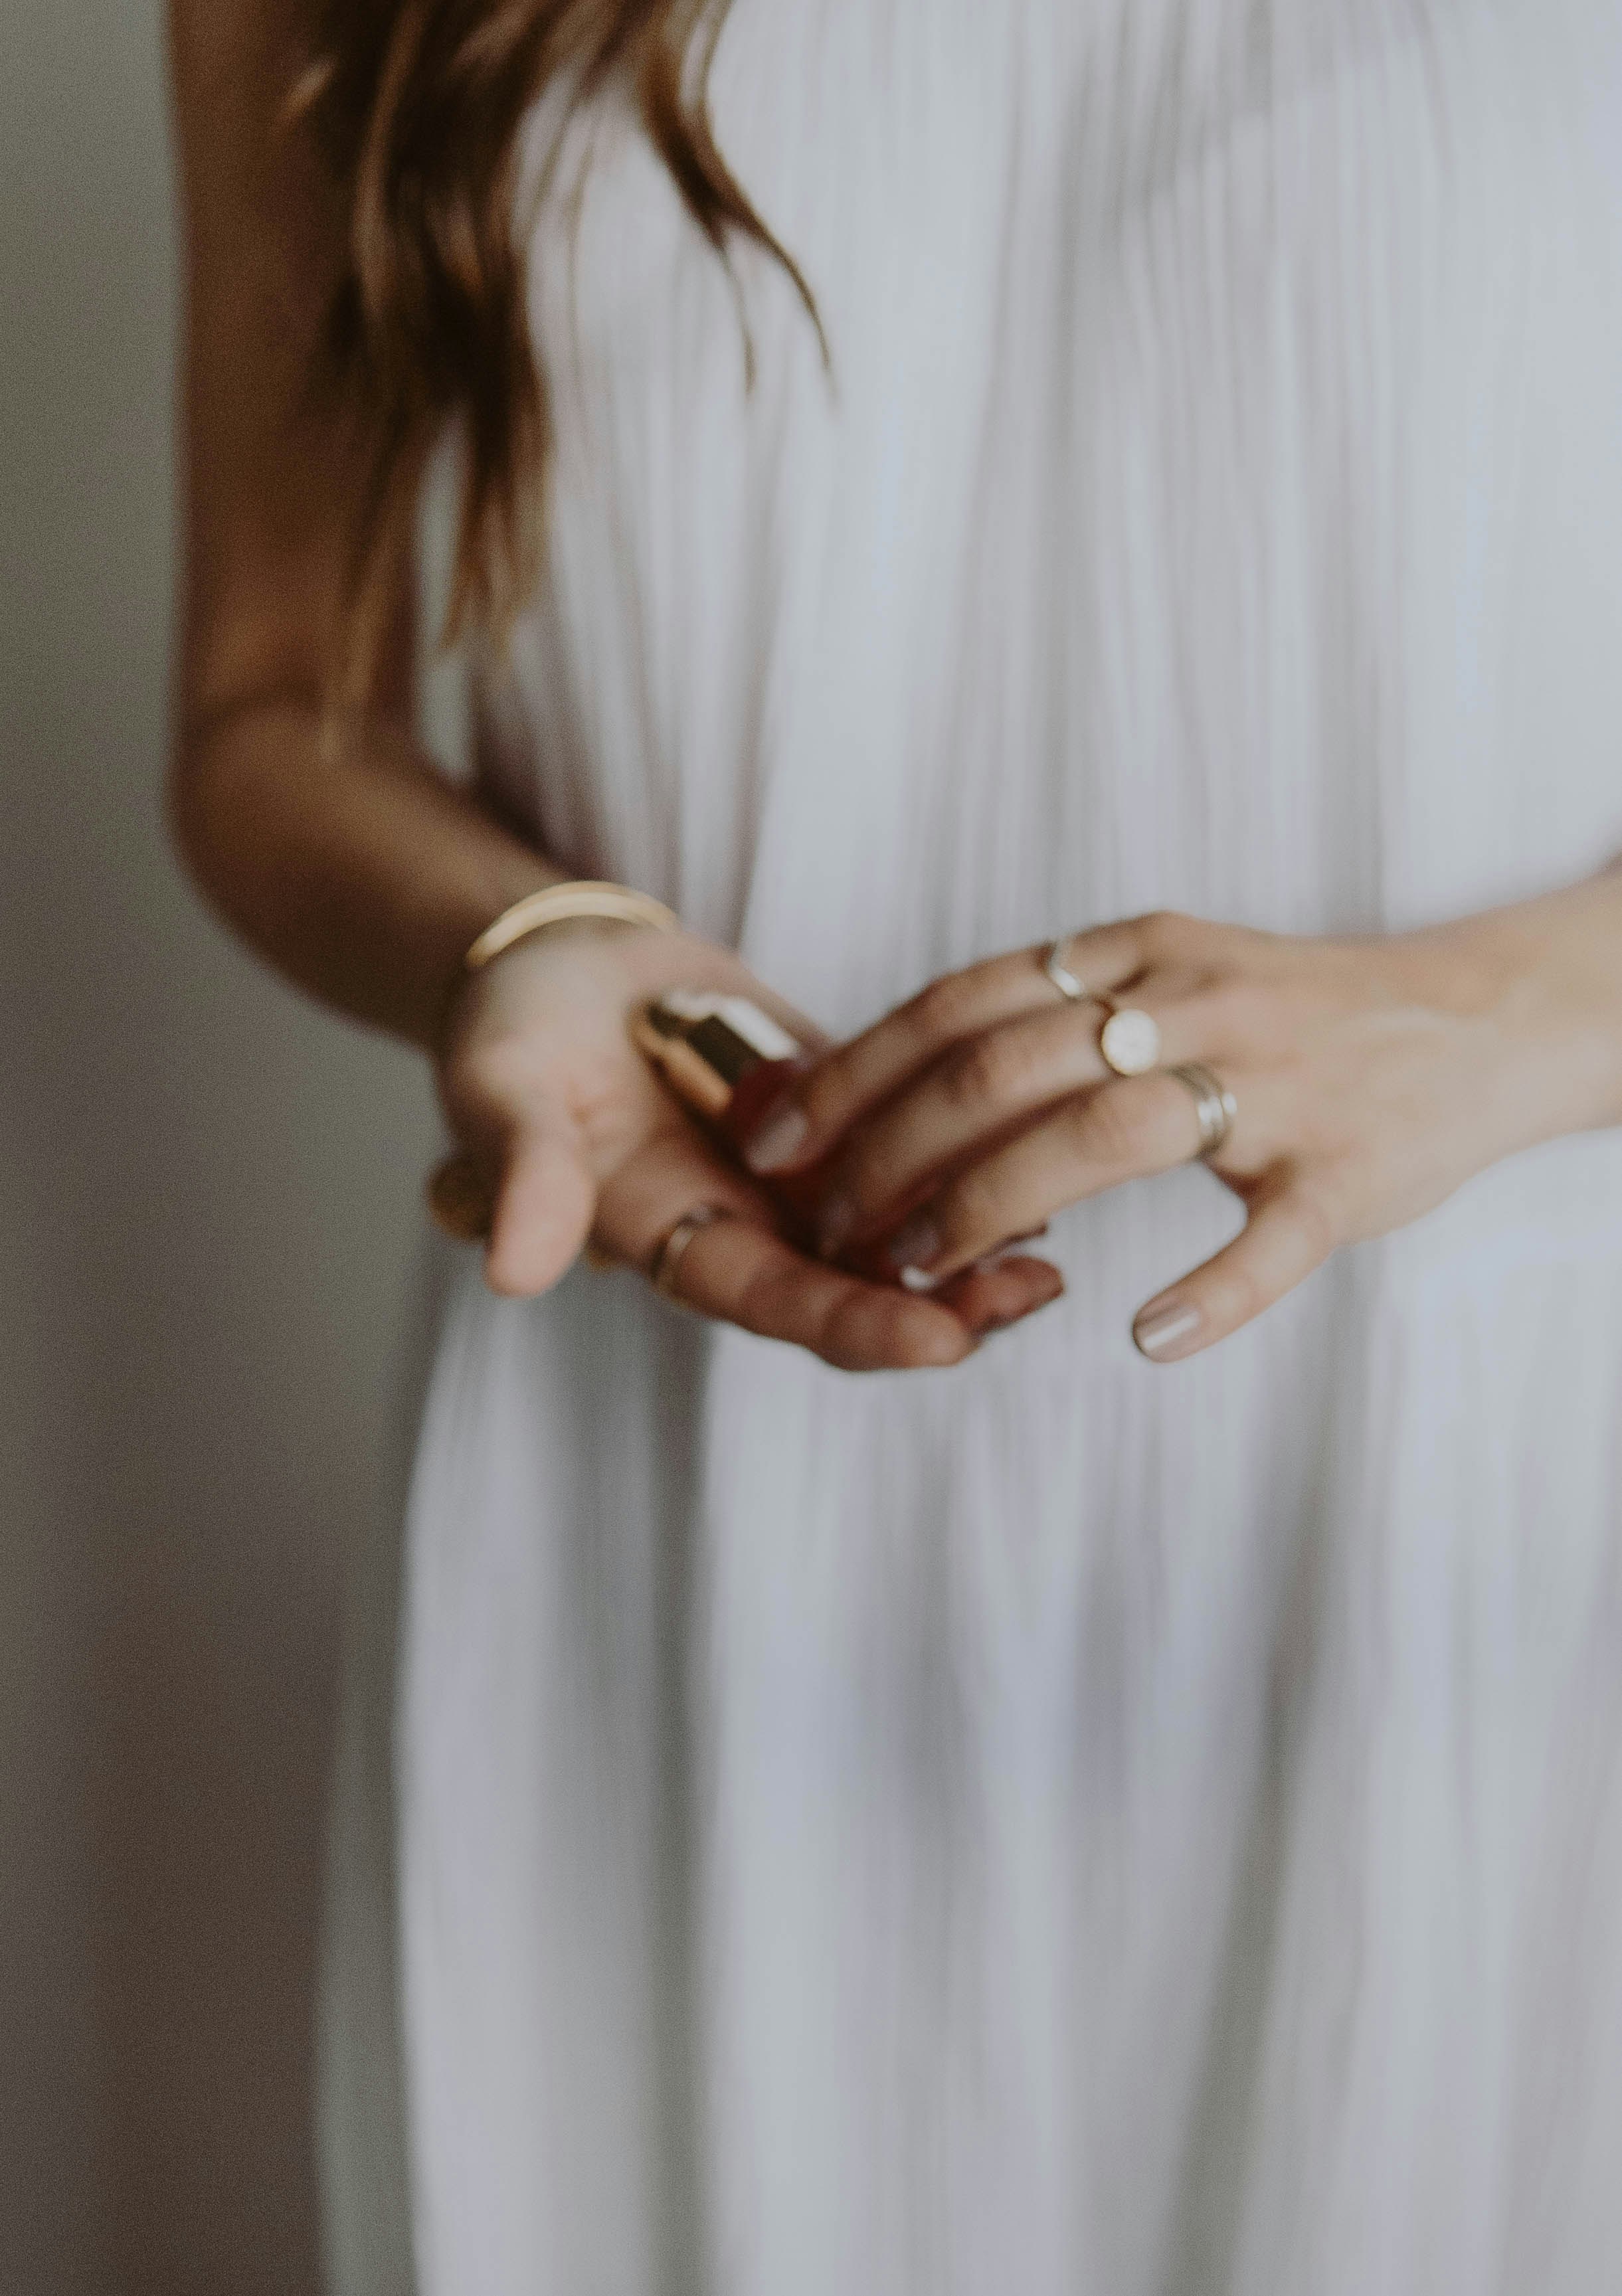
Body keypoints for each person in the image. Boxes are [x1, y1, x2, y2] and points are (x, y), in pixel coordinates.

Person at [169, 3, 1622, 2289]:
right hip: (679, 1550)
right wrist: (523, 941)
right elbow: (275, 705)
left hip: (1503, 1578)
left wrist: (1499, 1011)